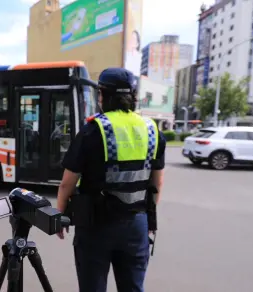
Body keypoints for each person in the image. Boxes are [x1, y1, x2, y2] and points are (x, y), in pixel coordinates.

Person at [56, 68, 166, 292]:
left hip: (96, 224)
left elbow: (67, 183)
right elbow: (156, 185)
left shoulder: (93, 130)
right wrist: (149, 222)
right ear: (133, 97)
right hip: (137, 223)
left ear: (102, 96)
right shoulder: (152, 129)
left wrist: (60, 214)